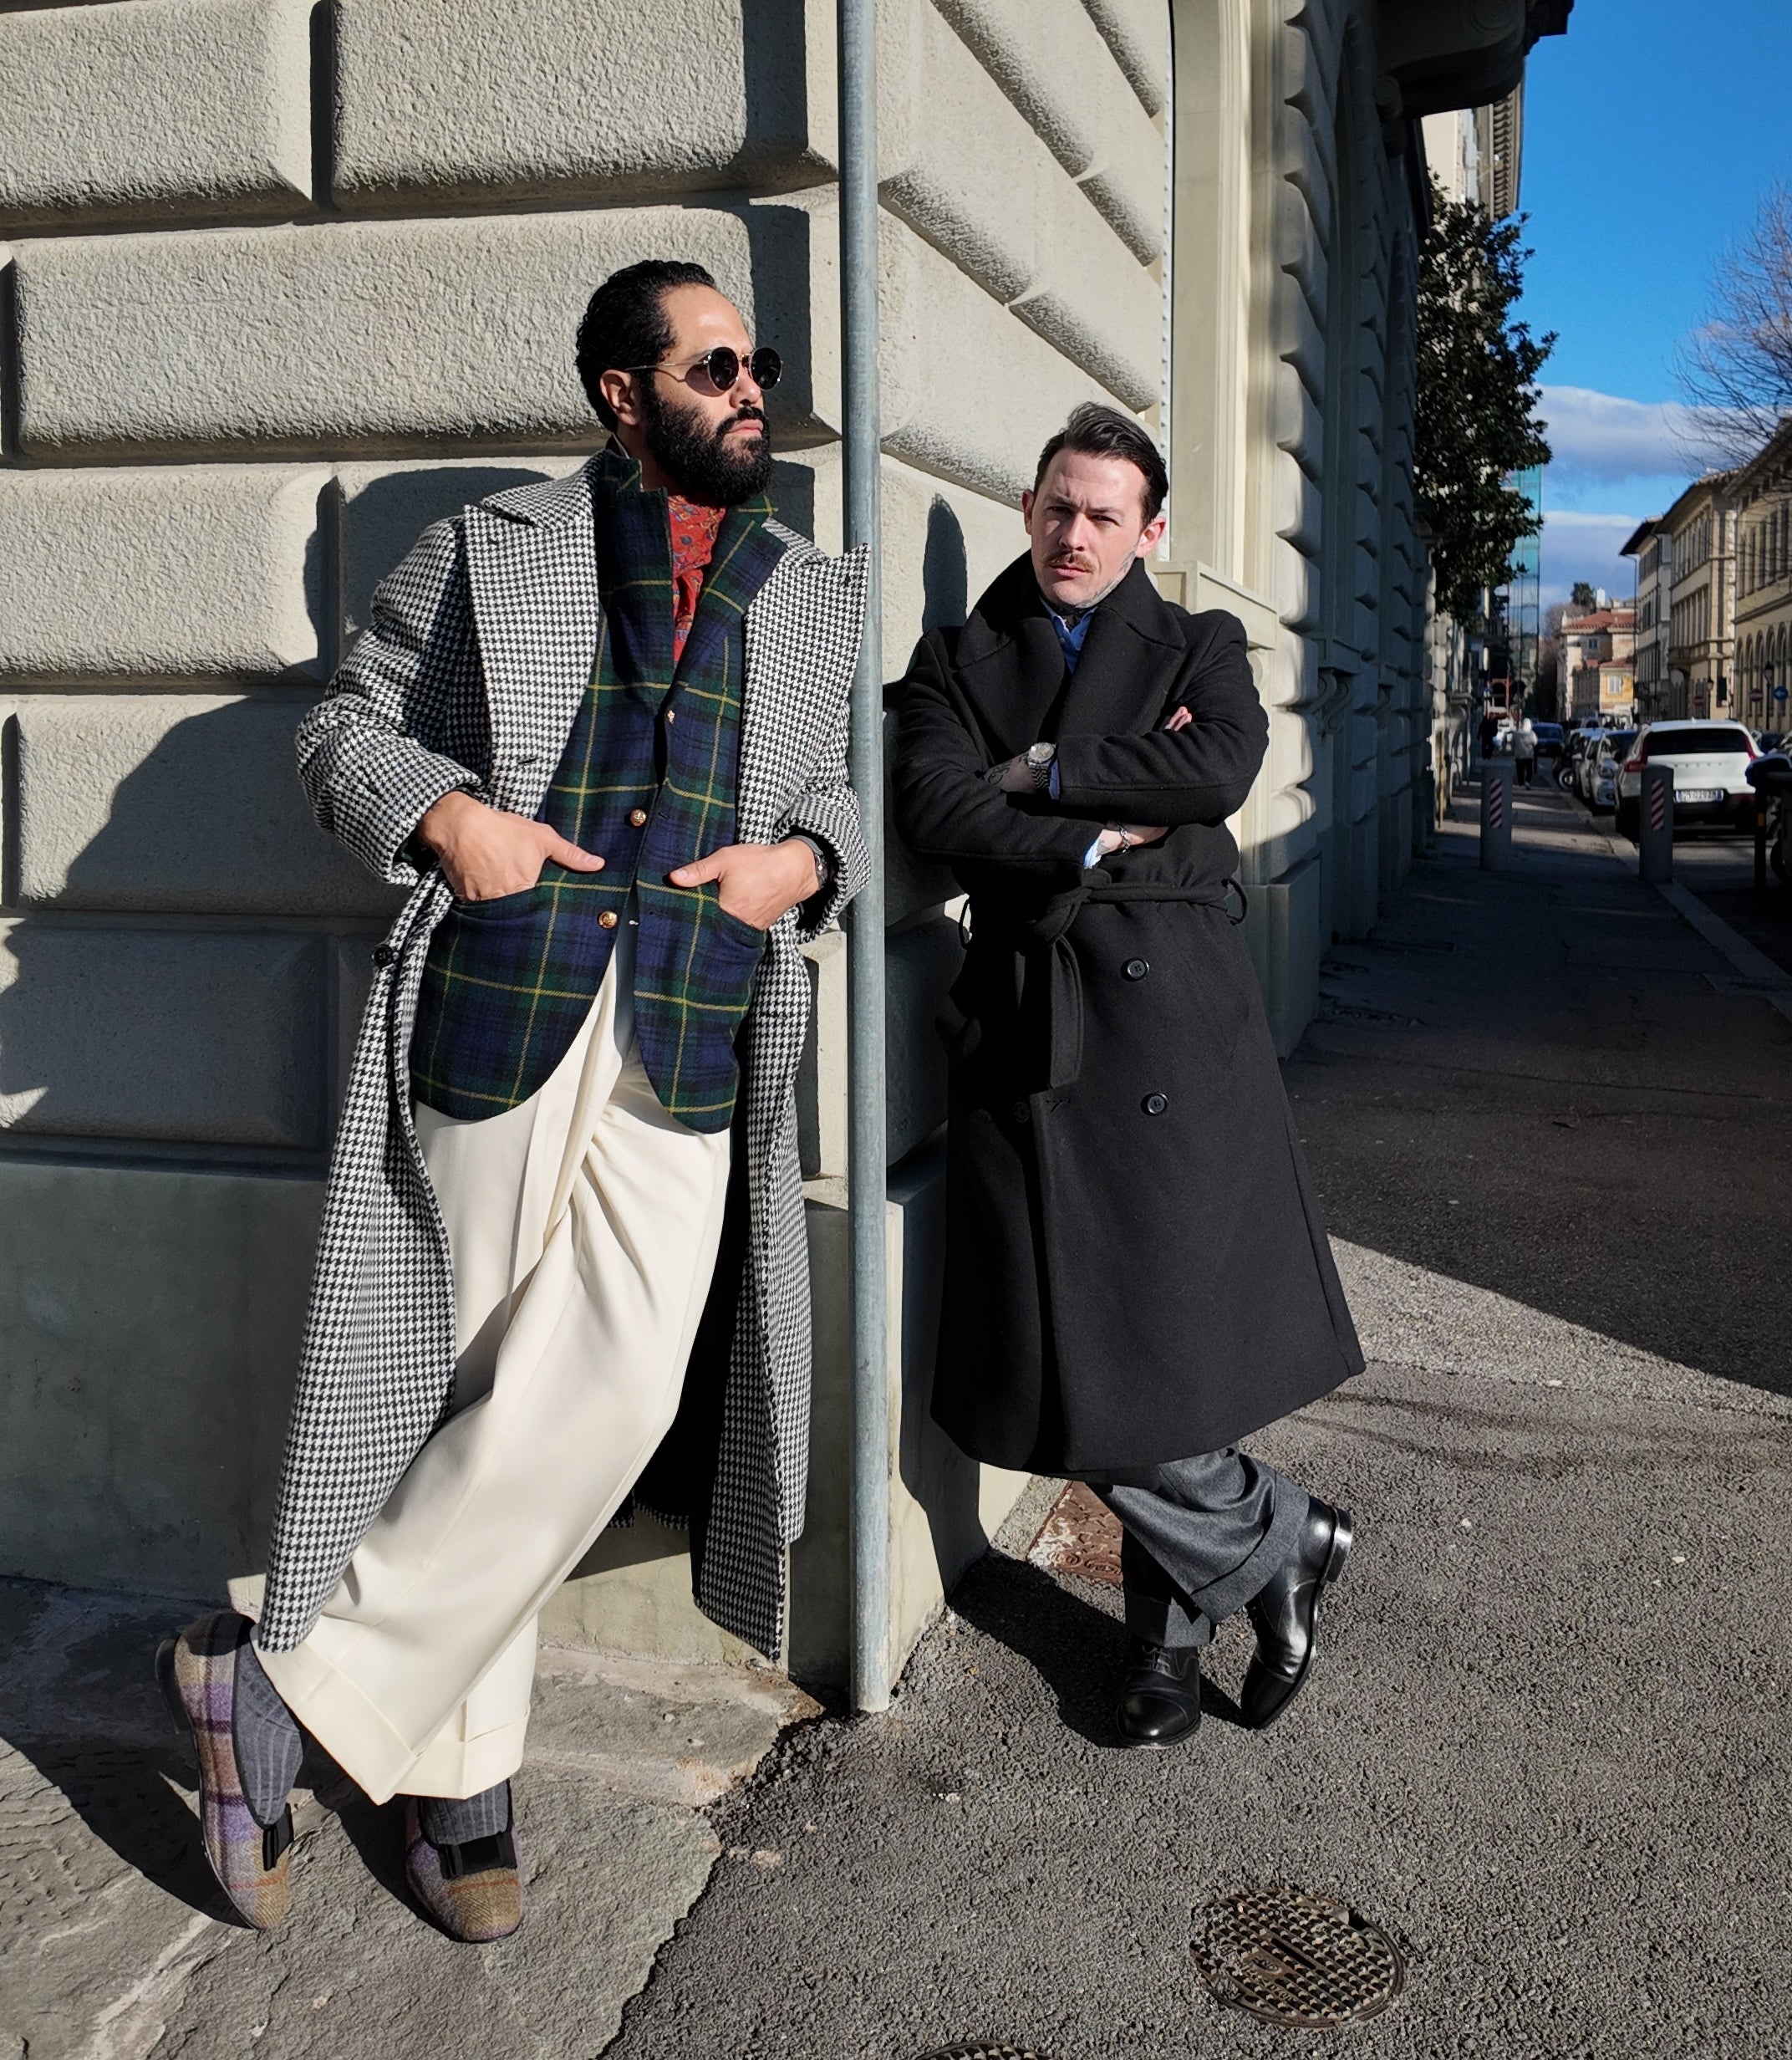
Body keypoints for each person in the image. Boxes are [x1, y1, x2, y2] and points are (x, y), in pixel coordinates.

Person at [157, 260, 868, 1941]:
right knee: (452, 1380)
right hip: (503, 997)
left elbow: (845, 785)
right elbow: (343, 730)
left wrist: (802, 860)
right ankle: (458, 1774)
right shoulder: (492, 546)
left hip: (692, 1016)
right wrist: (451, 820)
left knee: (610, 1385)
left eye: (757, 364)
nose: (750, 390)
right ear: (623, 394)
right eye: (714, 366)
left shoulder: (812, 589)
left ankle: (273, 1684)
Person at [892, 404, 1364, 1752]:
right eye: (1057, 506)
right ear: (1027, 507)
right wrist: (1104, 832)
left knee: (1166, 1337)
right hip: (1030, 1027)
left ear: (1148, 531)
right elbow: (934, 805)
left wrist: (1044, 770)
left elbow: (1219, 764)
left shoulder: (1200, 644)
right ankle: (1274, 1535)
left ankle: (1163, 1644)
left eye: (1104, 515)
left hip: (1169, 1023)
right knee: (1067, 1354)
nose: (1074, 534)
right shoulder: (955, 654)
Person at [1511, 711, 1538, 785]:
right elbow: (1535, 742)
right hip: (1529, 755)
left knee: (1520, 770)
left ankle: (1521, 782)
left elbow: (1512, 743)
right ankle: (1527, 781)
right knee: (1529, 770)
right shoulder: (1532, 734)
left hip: (1519, 755)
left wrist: (1513, 751)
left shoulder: (1517, 733)